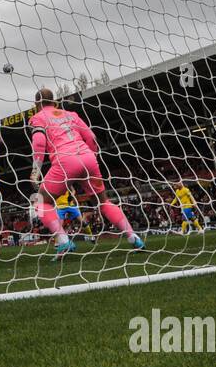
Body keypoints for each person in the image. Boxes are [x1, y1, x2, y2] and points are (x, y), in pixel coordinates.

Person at [27, 88, 144, 256]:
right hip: (88, 157)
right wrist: (92, 156)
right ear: (54, 101)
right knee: (103, 202)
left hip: (65, 161)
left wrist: (35, 171)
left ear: (37, 104)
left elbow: (39, 142)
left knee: (40, 202)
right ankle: (134, 238)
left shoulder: (38, 117)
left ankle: (63, 241)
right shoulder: (71, 114)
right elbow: (91, 137)